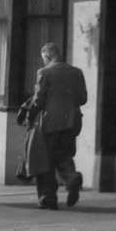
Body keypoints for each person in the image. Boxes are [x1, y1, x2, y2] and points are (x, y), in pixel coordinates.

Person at [21, 41, 88, 210]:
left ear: (47, 56)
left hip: (49, 122)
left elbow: (39, 100)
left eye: (43, 58)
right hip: (71, 122)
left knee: (46, 160)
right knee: (64, 155)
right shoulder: (76, 72)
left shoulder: (44, 72)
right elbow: (83, 98)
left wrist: (29, 117)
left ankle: (47, 198)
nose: (43, 62)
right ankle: (72, 179)